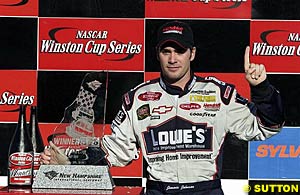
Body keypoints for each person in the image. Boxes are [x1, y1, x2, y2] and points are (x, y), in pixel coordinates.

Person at [41, 20, 285, 195]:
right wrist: (70, 163)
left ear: (192, 53)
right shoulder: (137, 99)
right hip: (159, 190)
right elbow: (114, 153)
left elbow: (267, 126)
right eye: (166, 51)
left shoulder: (218, 94)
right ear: (157, 54)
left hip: (205, 190)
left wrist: (262, 88)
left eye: (180, 51)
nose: (173, 58)